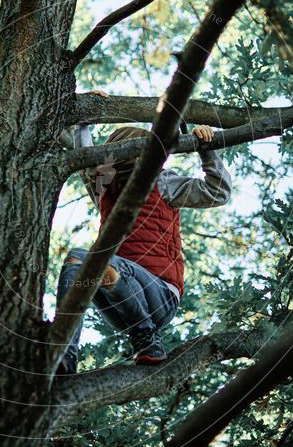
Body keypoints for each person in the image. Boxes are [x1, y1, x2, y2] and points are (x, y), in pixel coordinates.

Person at [55, 114, 232, 373]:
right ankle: (62, 355)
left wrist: (207, 147)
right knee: (76, 260)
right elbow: (86, 160)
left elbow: (219, 192)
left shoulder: (162, 183)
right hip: (122, 308)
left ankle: (147, 335)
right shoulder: (106, 191)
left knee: (103, 263)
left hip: (160, 295)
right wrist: (84, 119)